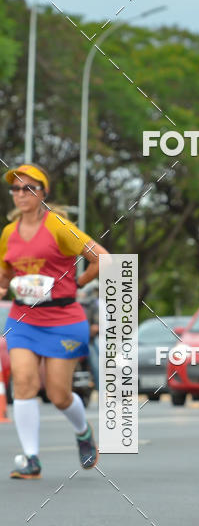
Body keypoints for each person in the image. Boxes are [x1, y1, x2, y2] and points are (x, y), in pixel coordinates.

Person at [0, 164, 108, 478]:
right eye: (16, 189)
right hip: (23, 318)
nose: (21, 194)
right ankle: (31, 459)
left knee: (59, 394)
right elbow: (6, 273)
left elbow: (101, 256)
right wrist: (7, 284)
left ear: (43, 193)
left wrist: (79, 282)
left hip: (63, 318)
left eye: (28, 188)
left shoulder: (59, 226)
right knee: (23, 383)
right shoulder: (9, 233)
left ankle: (83, 431)